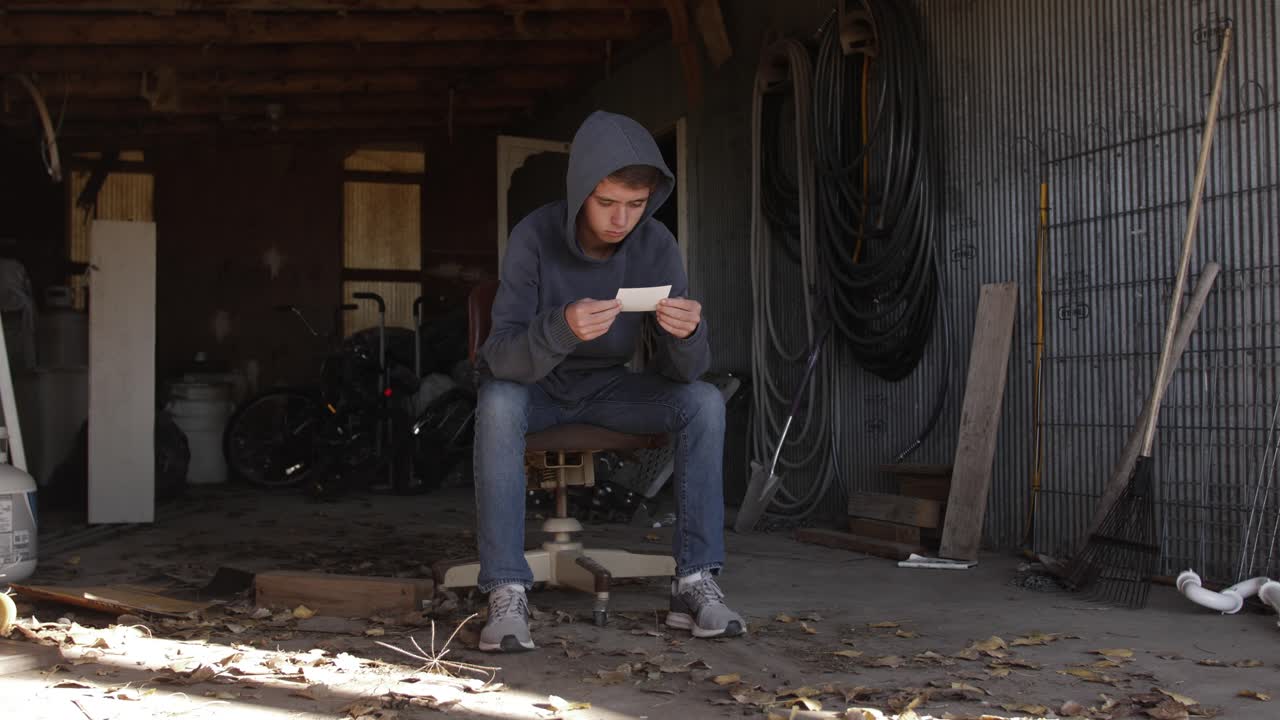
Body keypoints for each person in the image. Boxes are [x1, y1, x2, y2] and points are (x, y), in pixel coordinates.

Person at [472, 110, 746, 652]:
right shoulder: (533, 235)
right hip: (536, 390)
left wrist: (687, 334)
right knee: (498, 400)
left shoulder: (656, 245)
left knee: (705, 401)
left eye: (636, 205)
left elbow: (682, 373)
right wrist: (560, 327)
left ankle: (694, 582)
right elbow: (499, 357)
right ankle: (505, 588)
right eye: (607, 203)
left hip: (609, 389)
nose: (622, 219)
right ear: (580, 192)